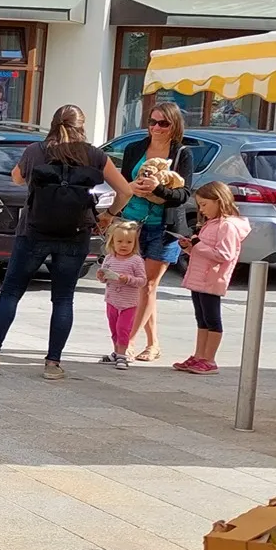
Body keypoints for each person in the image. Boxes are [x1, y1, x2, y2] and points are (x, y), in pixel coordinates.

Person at [0, 104, 133, 379]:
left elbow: (17, 178)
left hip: (33, 231)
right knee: (63, 299)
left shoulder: (36, 151)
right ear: (82, 126)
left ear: (53, 124)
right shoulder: (95, 155)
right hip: (75, 233)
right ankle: (52, 364)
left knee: (11, 293)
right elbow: (125, 190)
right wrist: (109, 215)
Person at [114, 104, 198, 361]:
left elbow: (183, 195)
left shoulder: (182, 153)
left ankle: (127, 342)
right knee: (139, 287)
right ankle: (153, 343)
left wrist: (157, 189)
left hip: (163, 227)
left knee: (148, 285)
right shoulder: (134, 149)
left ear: (174, 126)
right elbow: (123, 183)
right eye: (152, 122)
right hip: (132, 224)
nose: (156, 128)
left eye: (163, 123)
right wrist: (132, 187)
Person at [175, 182, 249, 375]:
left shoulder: (227, 226)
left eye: (204, 204)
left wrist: (197, 244)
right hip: (200, 277)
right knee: (201, 318)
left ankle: (210, 359)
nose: (201, 209)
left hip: (212, 279)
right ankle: (199, 355)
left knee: (212, 319)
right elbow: (205, 252)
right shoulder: (212, 224)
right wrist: (189, 247)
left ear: (219, 201)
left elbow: (225, 254)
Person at [96, 219, 147, 370]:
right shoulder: (109, 258)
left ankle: (123, 354)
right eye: (120, 241)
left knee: (123, 328)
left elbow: (142, 281)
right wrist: (102, 277)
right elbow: (104, 278)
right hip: (112, 299)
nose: (124, 245)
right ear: (113, 242)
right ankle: (116, 351)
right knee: (113, 327)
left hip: (129, 302)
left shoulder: (136, 261)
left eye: (129, 242)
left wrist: (128, 279)